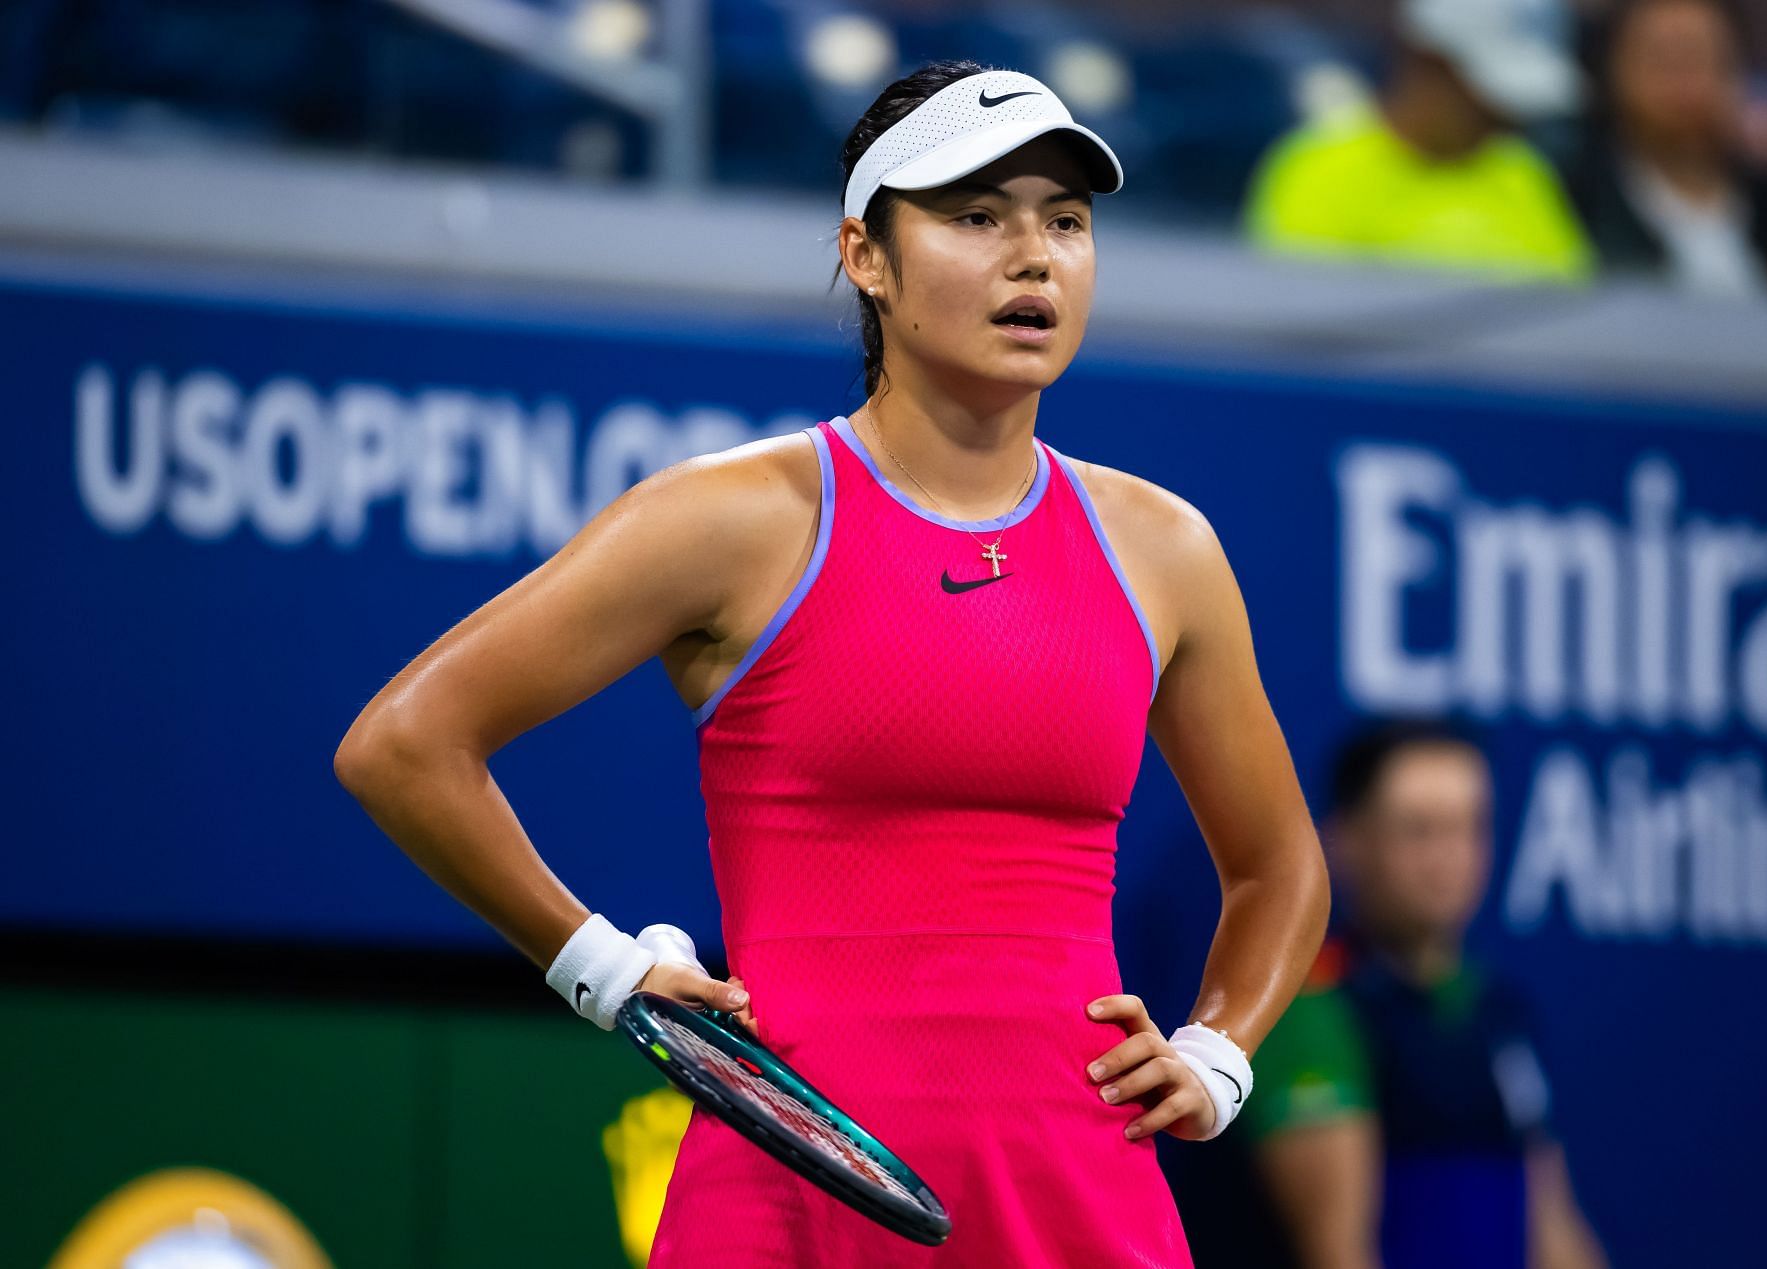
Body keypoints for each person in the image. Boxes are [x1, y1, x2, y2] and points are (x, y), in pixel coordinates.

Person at [333, 59, 1331, 1267]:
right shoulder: (733, 517)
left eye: (1064, 221)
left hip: (1079, 1190)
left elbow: (1280, 868)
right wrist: (602, 971)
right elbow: (405, 745)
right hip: (791, 1195)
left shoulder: (1166, 549)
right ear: (866, 254)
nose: (1035, 257)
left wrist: (1218, 1055)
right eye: (976, 217)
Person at [1240, 718, 1607, 1269]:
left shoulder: (1497, 1009)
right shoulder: (1315, 1013)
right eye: (1419, 830)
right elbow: (1338, 1250)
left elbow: (1552, 1225)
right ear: (1348, 842)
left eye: (1469, 827)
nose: (1449, 858)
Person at [1242, 0, 1593, 284]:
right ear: (1429, 63)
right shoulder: (1317, 166)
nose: (1504, 120)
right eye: (1486, 99)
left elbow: (1576, 304)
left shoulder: (1522, 172)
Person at [1561, 0, 1767, 301]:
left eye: (1703, 58)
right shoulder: (1574, 197)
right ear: (1612, 73)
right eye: (1663, 61)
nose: (1685, 85)